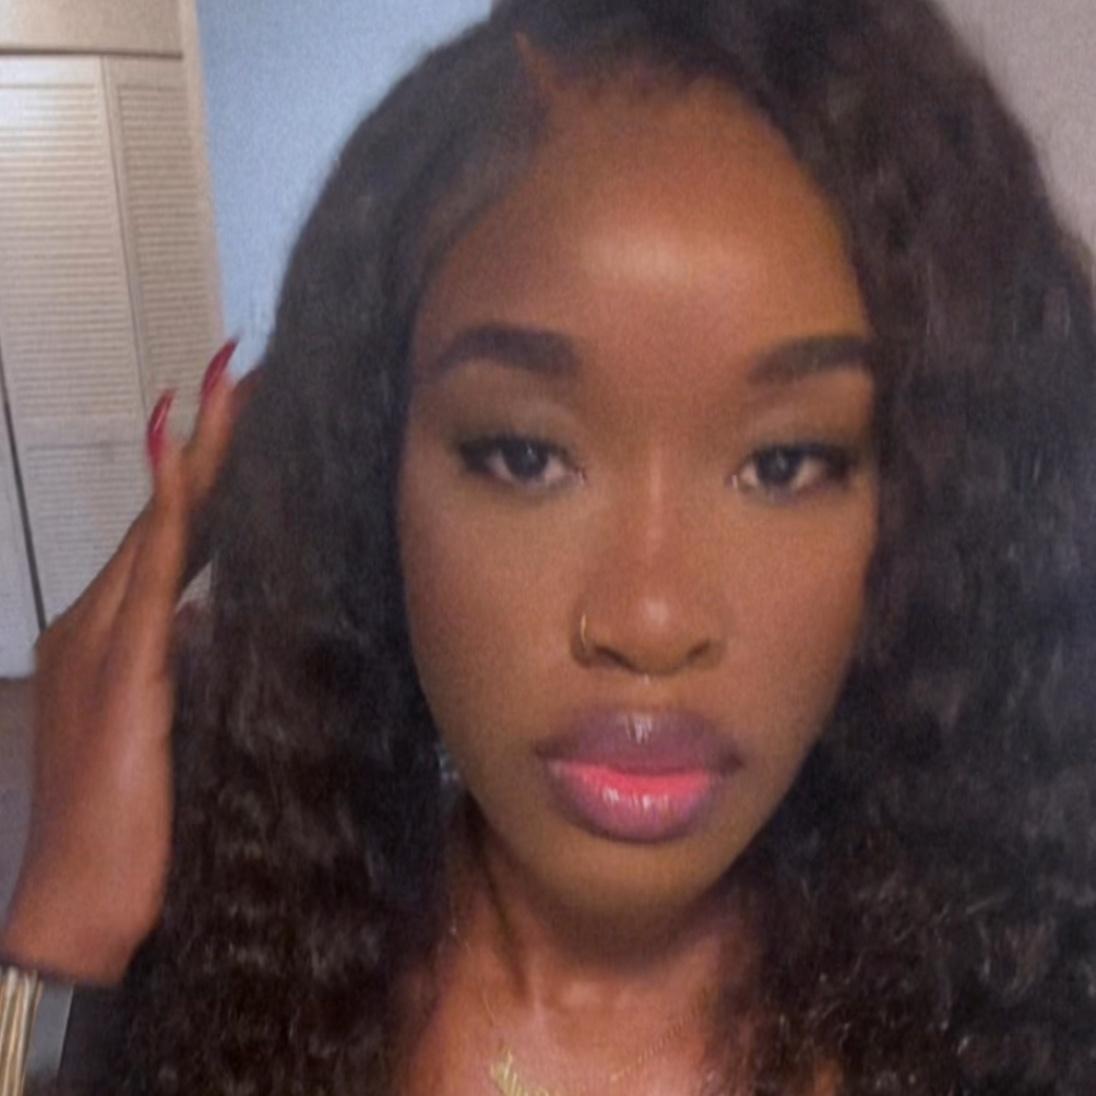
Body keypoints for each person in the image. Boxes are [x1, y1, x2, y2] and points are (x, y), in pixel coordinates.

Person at [2, 0, 1094, 1091]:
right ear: (374, 483)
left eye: (784, 464)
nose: (648, 620)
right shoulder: (256, 977)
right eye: (524, 455)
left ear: (930, 512)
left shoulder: (1013, 1017)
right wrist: (59, 961)